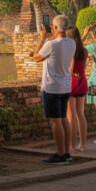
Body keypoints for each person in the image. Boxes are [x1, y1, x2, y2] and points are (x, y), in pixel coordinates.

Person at [32, 14, 76, 164]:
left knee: (56, 122)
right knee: (63, 119)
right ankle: (67, 152)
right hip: (65, 86)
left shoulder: (51, 44)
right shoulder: (72, 43)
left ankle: (60, 154)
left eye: (53, 26)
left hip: (51, 87)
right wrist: (52, 36)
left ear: (55, 27)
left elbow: (36, 57)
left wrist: (43, 38)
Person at [65, 26, 89, 152]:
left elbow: (70, 69)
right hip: (82, 81)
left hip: (71, 83)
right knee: (81, 114)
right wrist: (84, 35)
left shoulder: (70, 51)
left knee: (71, 116)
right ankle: (83, 144)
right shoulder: (84, 51)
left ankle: (72, 145)